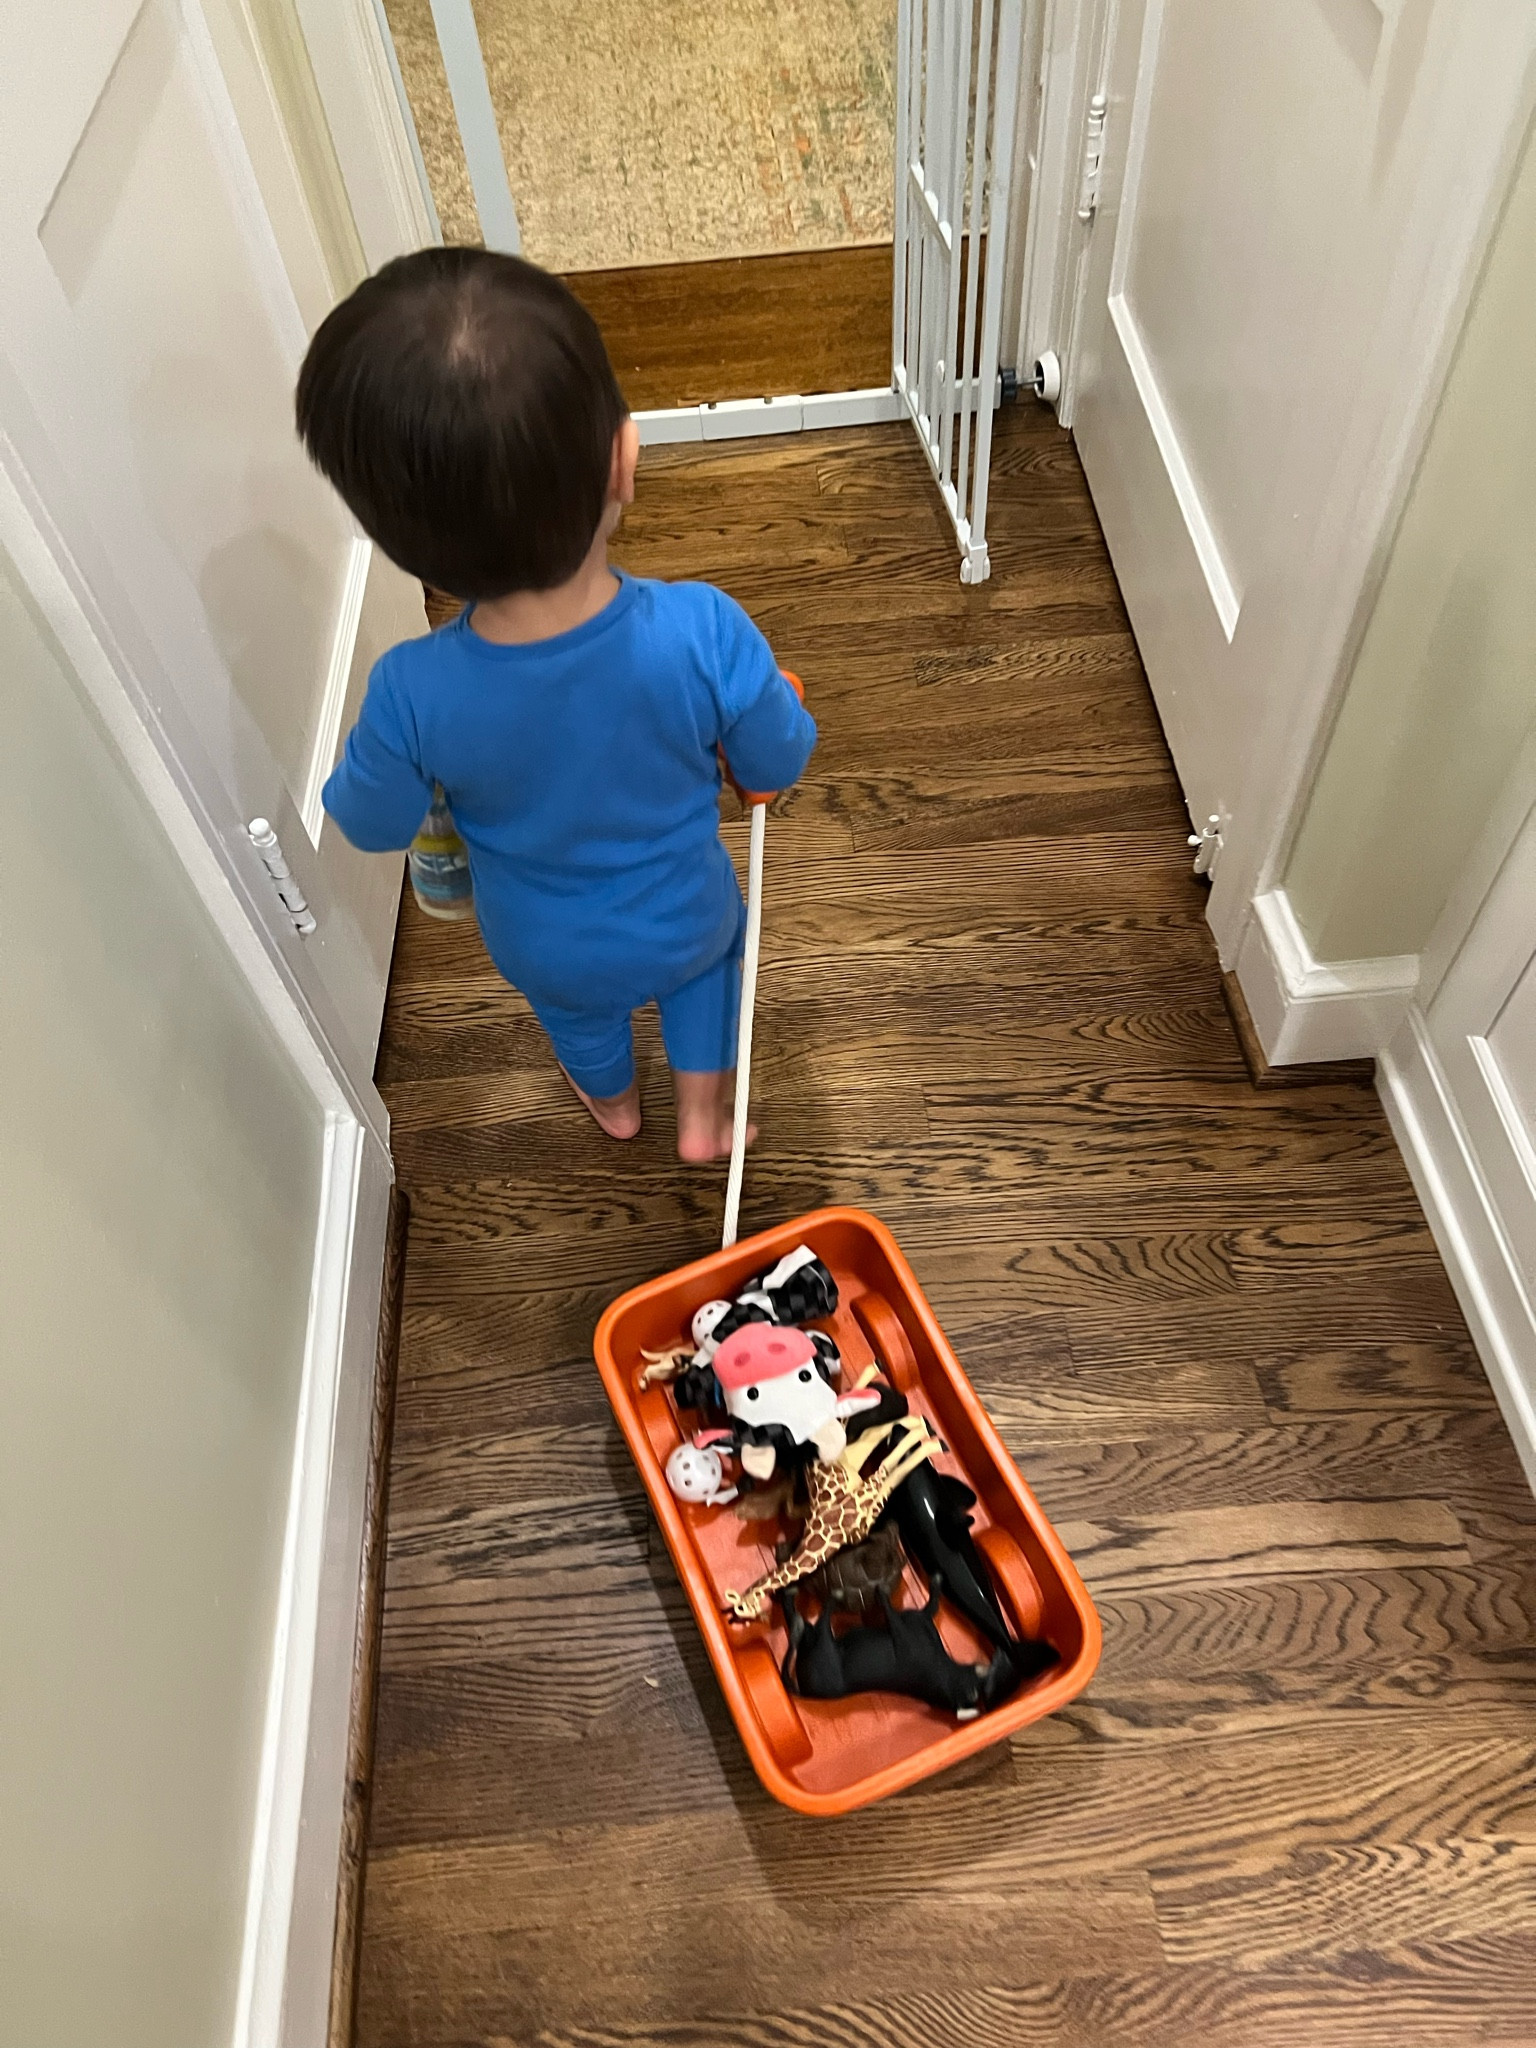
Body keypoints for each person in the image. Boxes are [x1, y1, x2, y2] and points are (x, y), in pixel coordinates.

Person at [296, 248, 816, 1160]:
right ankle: (703, 1118)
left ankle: (616, 1106)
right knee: (707, 973)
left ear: (395, 541)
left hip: (545, 946)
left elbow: (371, 825)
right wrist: (768, 712)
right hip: (685, 914)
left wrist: (393, 774)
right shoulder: (702, 632)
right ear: (624, 459)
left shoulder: (411, 691)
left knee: (581, 1023)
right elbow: (777, 760)